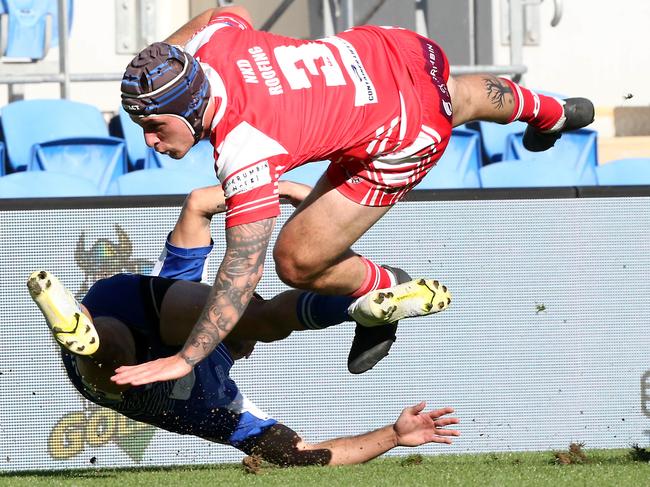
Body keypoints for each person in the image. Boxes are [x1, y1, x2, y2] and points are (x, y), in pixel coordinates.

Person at [115, 5, 595, 384]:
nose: (150, 141)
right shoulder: (213, 47)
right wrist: (163, 59)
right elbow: (230, 13)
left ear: (191, 105)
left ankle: (380, 284)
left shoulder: (245, 152)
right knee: (455, 97)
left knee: (296, 261)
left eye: (154, 126)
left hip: (406, 134)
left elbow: (241, 273)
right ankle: (549, 111)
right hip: (393, 48)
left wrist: (185, 358)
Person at [27, 181, 460, 467]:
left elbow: (300, 456)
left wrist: (394, 435)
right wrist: (286, 191)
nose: (248, 345)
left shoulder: (227, 409)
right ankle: (355, 309)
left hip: (107, 350)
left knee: (114, 368)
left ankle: (78, 329)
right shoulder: (224, 399)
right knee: (254, 315)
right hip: (133, 307)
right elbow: (198, 204)